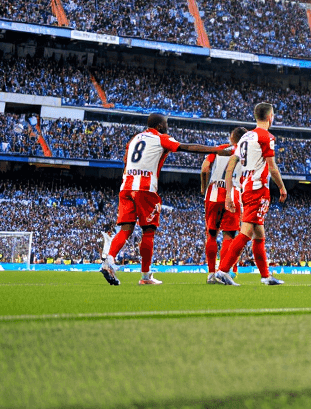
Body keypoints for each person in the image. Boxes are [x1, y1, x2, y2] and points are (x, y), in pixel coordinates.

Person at [100, 113, 227, 286]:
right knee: (148, 231)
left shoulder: (135, 139)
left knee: (125, 229)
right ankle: (145, 277)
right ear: (159, 126)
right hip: (145, 188)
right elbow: (185, 147)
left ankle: (109, 261)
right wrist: (215, 150)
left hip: (126, 186)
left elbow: (125, 162)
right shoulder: (160, 138)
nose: (167, 126)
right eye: (166, 124)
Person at [214, 102, 288, 286]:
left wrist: (230, 194)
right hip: (258, 188)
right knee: (246, 232)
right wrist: (282, 187)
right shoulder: (267, 137)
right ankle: (222, 271)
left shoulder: (246, 137)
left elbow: (232, 165)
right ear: (270, 117)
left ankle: (265, 276)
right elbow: (272, 167)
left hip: (246, 187)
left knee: (259, 234)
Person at [202, 127, 244, 284]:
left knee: (211, 234)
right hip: (233, 192)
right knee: (229, 236)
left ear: (231, 138)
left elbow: (205, 168)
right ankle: (223, 271)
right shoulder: (244, 154)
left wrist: (203, 187)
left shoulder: (218, 148)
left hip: (213, 192)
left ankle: (211, 274)